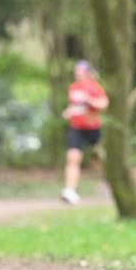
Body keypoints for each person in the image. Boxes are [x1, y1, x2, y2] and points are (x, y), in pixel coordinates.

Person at [60, 60, 109, 205]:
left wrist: (89, 99)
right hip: (77, 128)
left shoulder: (95, 87)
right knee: (72, 158)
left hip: (93, 128)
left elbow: (104, 104)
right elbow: (74, 106)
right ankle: (70, 190)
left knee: (99, 159)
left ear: (88, 73)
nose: (78, 74)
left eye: (81, 71)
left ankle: (108, 184)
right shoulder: (73, 88)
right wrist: (68, 112)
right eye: (77, 72)